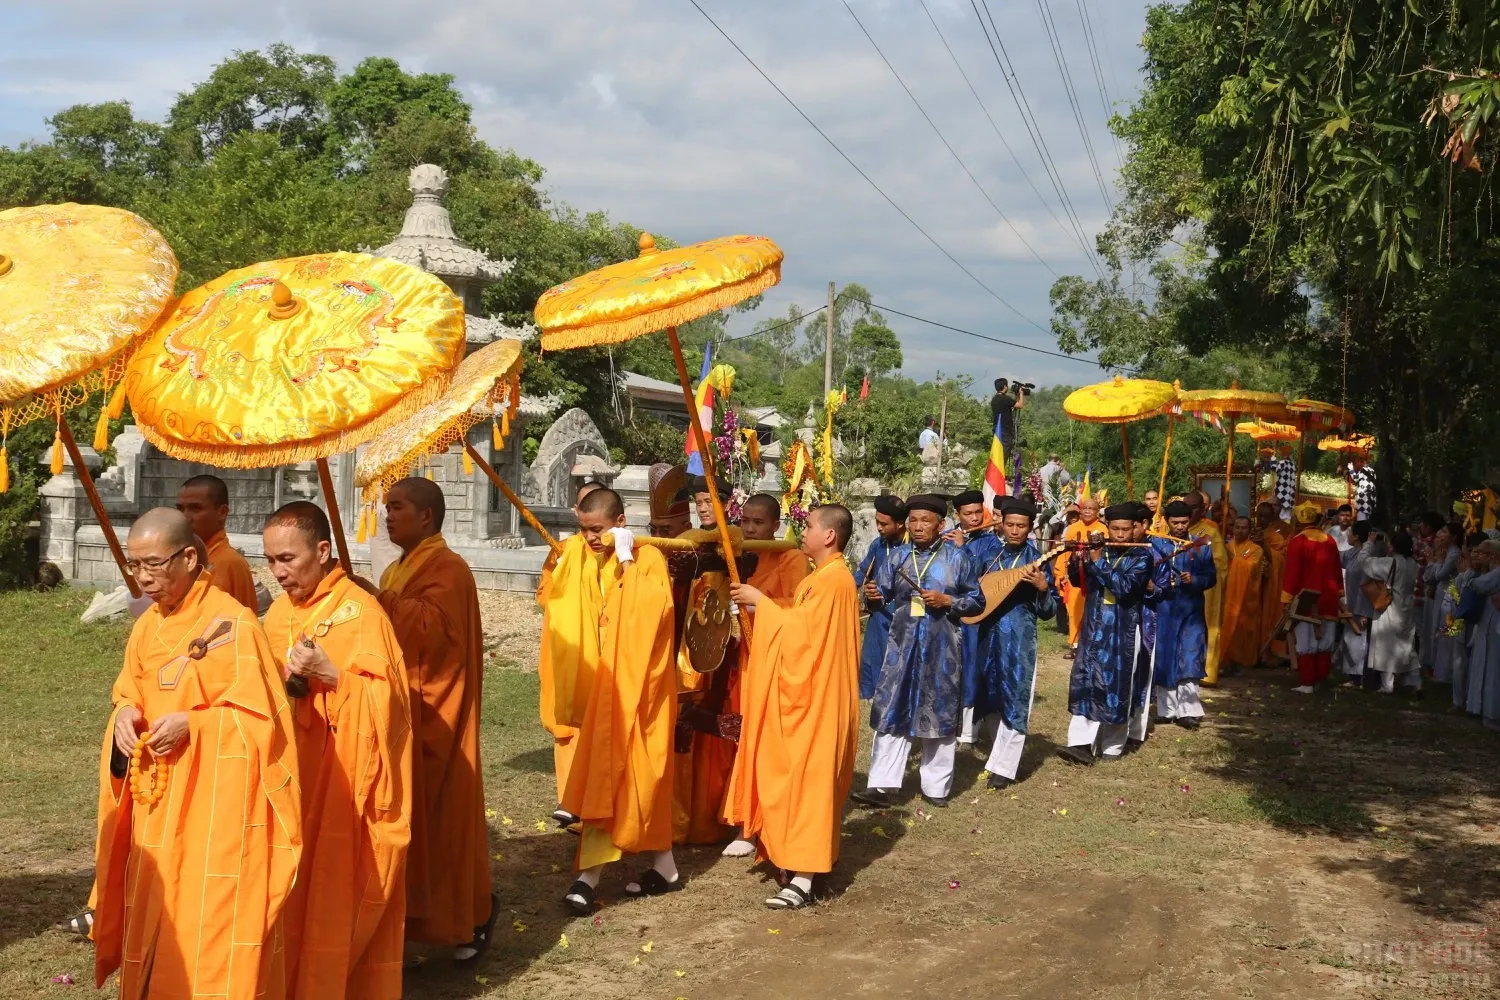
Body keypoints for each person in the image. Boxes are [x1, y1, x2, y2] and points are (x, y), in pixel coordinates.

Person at [92, 509, 300, 999]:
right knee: (156, 907)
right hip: (157, 799)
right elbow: (130, 689)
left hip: (214, 808)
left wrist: (196, 723)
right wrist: (124, 712)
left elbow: (263, 720)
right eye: (133, 565)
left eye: (154, 565)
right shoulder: (148, 627)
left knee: (207, 915)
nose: (143, 578)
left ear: (189, 557)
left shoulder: (235, 623)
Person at [263, 502, 413, 994]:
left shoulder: (362, 614)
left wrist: (332, 675)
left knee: (333, 892)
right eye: (271, 561)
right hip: (289, 779)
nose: (279, 572)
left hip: (342, 782)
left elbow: (388, 709)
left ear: (323, 551)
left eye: (288, 559)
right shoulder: (280, 612)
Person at [375, 478, 494, 960]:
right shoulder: (396, 569)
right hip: (403, 705)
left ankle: (465, 920)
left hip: (437, 710)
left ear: (426, 516)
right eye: (386, 507)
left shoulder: (449, 569)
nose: (388, 516)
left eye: (397, 507)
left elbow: (437, 638)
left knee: (440, 823)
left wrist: (378, 602)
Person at [728, 504, 860, 909]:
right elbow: (802, 622)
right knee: (795, 776)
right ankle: (794, 860)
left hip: (820, 697)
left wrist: (760, 602)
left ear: (830, 536)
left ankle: (804, 877)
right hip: (811, 692)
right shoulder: (821, 576)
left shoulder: (835, 581)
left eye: (808, 526)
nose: (801, 532)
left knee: (811, 783)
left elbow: (803, 636)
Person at [560, 488, 681, 910]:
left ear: (621, 522)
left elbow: (652, 613)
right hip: (609, 685)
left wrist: (628, 560)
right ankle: (665, 866)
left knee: (627, 778)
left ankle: (587, 879)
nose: (591, 538)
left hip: (640, 691)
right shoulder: (594, 558)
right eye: (584, 530)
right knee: (625, 780)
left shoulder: (647, 558)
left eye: (597, 530)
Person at [854, 495, 983, 808]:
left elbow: (978, 602)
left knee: (937, 714)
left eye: (926, 521)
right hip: (901, 646)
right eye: (913, 520)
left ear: (941, 525)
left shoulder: (958, 558)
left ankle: (936, 788)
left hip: (943, 649)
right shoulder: (897, 557)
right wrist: (871, 594)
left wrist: (948, 602)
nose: (919, 526)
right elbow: (878, 597)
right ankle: (883, 786)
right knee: (892, 711)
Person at [716, 493, 809, 857]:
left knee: (766, 740)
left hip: (775, 661)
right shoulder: (740, 555)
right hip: (744, 658)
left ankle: (762, 822)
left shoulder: (791, 557)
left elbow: (799, 612)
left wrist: (759, 602)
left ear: (775, 525)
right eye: (746, 521)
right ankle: (744, 819)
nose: (751, 528)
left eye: (758, 523)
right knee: (742, 735)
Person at [969, 497, 1054, 789]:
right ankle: (998, 753)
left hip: (1018, 639)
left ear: (1030, 528)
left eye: (1021, 526)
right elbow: (973, 593)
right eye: (1010, 525)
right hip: (987, 635)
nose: (1015, 530)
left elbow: (1048, 612)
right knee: (989, 695)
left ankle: (1004, 768)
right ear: (1001, 525)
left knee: (1015, 699)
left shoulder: (1038, 559)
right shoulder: (988, 553)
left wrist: (1043, 589)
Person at [1058, 503, 1153, 763]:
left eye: (1125, 529)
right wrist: (1077, 562)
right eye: (1115, 529)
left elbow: (1124, 587)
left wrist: (1097, 562)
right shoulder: (1100, 550)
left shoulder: (1143, 557)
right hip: (1093, 627)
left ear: (1135, 528)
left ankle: (1112, 746)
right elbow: (1080, 582)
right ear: (1107, 528)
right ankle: (1079, 743)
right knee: (1086, 681)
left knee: (1118, 685)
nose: (1120, 535)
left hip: (1122, 631)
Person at [1148, 500, 1217, 731]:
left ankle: (1189, 712)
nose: (1179, 526)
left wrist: (1194, 580)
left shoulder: (1201, 545)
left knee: (1189, 656)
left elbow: (1211, 577)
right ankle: (1166, 710)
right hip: (1165, 608)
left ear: (1190, 521)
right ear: (1167, 521)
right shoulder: (1157, 544)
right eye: (1175, 522)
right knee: (1165, 656)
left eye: (1184, 522)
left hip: (1190, 609)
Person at [947, 489, 1002, 746]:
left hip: (977, 616)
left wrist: (962, 550)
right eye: (968, 514)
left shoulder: (991, 543)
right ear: (957, 516)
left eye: (979, 512)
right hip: (948, 615)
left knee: (973, 670)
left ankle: (969, 731)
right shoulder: (946, 538)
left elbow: (986, 574)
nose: (975, 518)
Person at [1281, 500, 1344, 694]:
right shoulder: (1330, 541)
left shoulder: (1298, 542)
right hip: (1329, 596)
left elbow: (1293, 573)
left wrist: (1286, 598)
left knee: (1306, 641)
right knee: (1325, 640)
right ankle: (1320, 678)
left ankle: (1307, 682)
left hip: (1306, 598)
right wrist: (1339, 594)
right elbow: (1336, 570)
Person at [176, 473, 258, 611]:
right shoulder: (186, 559)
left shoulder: (229, 563)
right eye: (180, 509)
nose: (185, 517)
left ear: (222, 513)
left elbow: (240, 625)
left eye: (195, 508)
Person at [858, 495, 908, 699]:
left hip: (904, 615)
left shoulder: (913, 546)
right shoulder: (878, 545)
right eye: (877, 522)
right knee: (873, 660)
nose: (878, 527)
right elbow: (862, 572)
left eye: (883, 524)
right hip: (879, 613)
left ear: (900, 523)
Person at [1366, 530, 1422, 695]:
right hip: (1407, 610)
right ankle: (1416, 682)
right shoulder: (1413, 563)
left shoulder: (1391, 562)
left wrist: (1369, 543)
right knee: (1408, 648)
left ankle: (1387, 685)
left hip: (1391, 609)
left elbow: (1365, 563)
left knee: (1386, 647)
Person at [1187, 491, 1229, 685]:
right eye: (1186, 506)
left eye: (1194, 507)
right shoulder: (1177, 527)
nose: (1189, 511)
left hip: (1206, 587)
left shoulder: (1210, 530)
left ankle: (1208, 672)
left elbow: (1220, 562)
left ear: (1202, 509)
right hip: (1181, 586)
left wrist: (1200, 573)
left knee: (1208, 627)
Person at [1056, 498, 1105, 659]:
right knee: (1074, 611)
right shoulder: (1072, 529)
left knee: (1094, 611)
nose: (1088, 511)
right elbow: (1065, 554)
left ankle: (1093, 645)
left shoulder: (1103, 529)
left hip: (1095, 578)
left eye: (1092, 508)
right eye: (1085, 508)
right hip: (1075, 577)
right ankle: (1076, 646)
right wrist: (1061, 574)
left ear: (1097, 511)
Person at [1463, 540, 1500, 728]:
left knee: (1493, 670)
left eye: (1483, 554)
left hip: (1495, 626)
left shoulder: (1496, 573)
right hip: (1488, 624)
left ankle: (1492, 713)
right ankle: (1482, 708)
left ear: (1491, 556)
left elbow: (1477, 585)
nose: (1479, 557)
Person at [1222, 516, 1266, 671]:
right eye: (1237, 527)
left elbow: (1253, 569)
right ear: (1232, 529)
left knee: (1243, 628)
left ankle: (1240, 662)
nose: (1240, 531)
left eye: (1244, 528)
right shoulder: (1226, 547)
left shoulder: (1256, 549)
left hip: (1247, 596)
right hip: (1228, 595)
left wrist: (1234, 561)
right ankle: (1225, 660)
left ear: (1249, 530)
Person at [1420, 521, 1463, 675]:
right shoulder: (1445, 552)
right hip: (1439, 592)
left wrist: (1436, 560)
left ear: (1454, 537)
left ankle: (1444, 670)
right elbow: (1428, 576)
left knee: (1444, 630)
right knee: (1434, 628)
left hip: (1449, 593)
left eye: (1445, 532)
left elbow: (1439, 575)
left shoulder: (1454, 553)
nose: (1441, 535)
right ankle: (1432, 664)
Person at [1255, 501, 1294, 664]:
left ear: (1273, 515)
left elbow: (1280, 559)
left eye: (1266, 516)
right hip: (1256, 581)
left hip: (1273, 581)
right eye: (1260, 516)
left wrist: (1263, 545)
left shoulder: (1280, 531)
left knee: (1270, 615)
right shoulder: (1254, 530)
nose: (1262, 520)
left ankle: (1270, 652)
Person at [1337, 521, 1375, 683]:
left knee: (1359, 642)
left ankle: (1359, 678)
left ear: (1357, 536)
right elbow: (1337, 556)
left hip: (1362, 607)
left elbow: (1366, 584)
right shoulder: (1353, 552)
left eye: (1351, 532)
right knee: (1351, 641)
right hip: (1352, 605)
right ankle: (1353, 677)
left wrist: (1365, 612)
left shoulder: (1365, 556)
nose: (1348, 535)